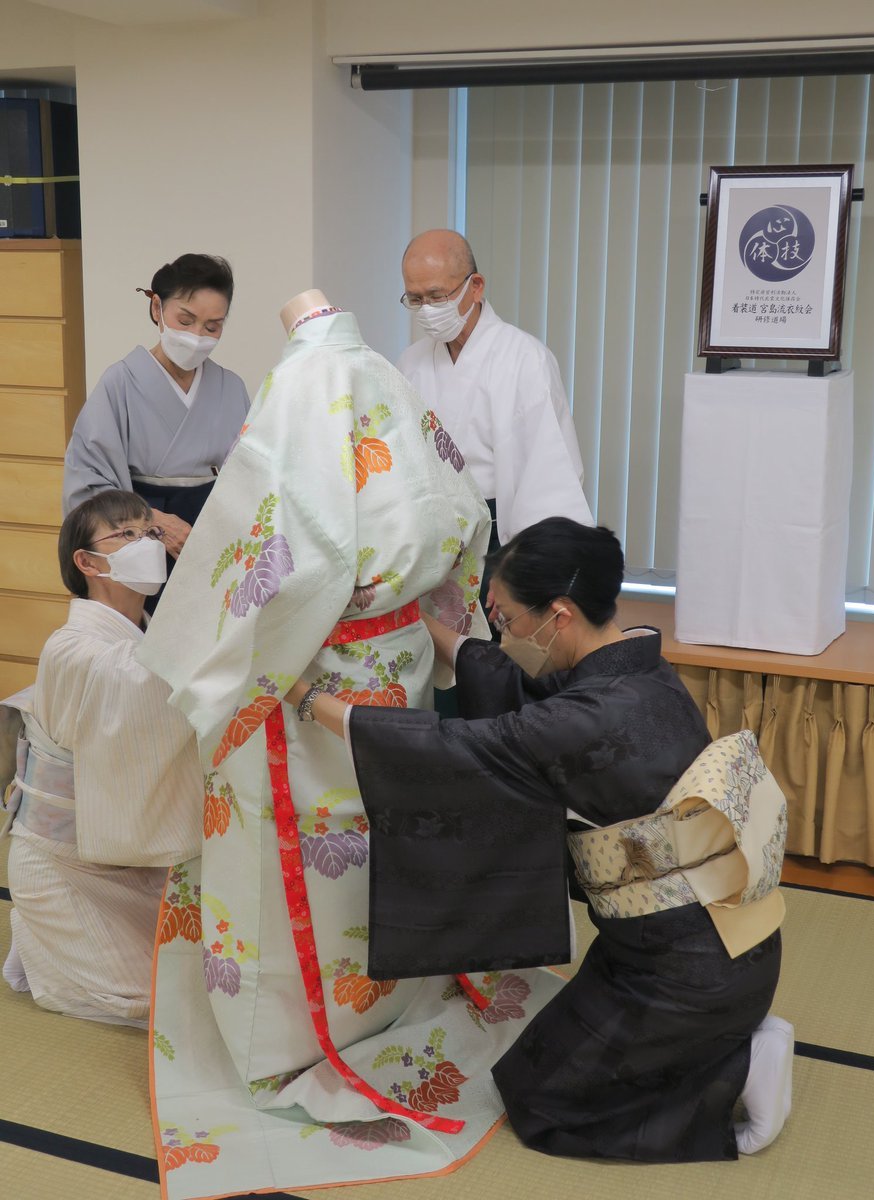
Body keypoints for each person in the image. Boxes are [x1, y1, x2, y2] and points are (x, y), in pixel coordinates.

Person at [135, 291, 564, 1196]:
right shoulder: (395, 386)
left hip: (313, 675)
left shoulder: (301, 387)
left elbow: (284, 551)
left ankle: (292, 1031)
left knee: (293, 839)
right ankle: (395, 998)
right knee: (382, 831)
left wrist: (229, 660)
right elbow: (464, 522)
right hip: (399, 657)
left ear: (297, 330)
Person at [288, 517, 794, 1163]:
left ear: (558, 614)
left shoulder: (587, 715)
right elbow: (510, 679)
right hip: (698, 942)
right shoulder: (637, 667)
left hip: (692, 970)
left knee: (548, 1110)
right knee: (529, 1070)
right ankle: (738, 1035)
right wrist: (411, 619)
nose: (502, 634)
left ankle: (748, 1062)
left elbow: (447, 747)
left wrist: (302, 696)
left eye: (506, 618)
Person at [0, 490, 204, 1026]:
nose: (146, 544)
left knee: (218, 976)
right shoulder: (70, 646)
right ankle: (40, 932)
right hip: (66, 867)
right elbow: (158, 682)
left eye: (151, 532)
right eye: (127, 535)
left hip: (129, 856)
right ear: (87, 562)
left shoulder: (145, 632)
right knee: (158, 1004)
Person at [397, 229, 594, 559]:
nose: (427, 310)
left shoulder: (524, 358)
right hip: (429, 533)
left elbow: (551, 467)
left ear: (475, 287)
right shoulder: (410, 362)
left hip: (499, 532)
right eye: (415, 299)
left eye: (437, 296)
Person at [62, 252, 250, 575]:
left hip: (209, 549)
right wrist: (153, 522)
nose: (196, 337)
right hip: (136, 545)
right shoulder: (120, 383)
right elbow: (87, 487)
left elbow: (250, 481)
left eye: (212, 327)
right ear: (157, 308)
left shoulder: (231, 388)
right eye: (186, 321)